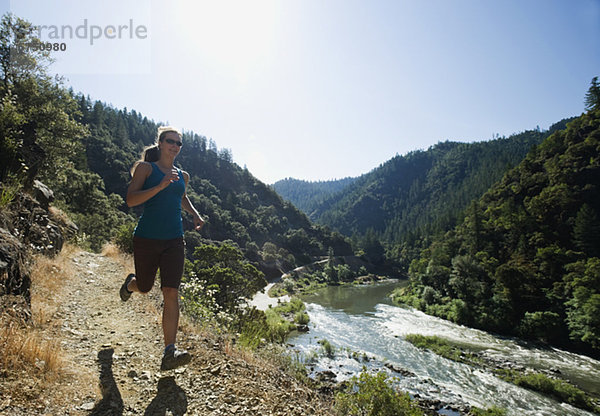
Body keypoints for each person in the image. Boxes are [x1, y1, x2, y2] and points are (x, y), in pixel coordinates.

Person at [119, 126, 205, 371]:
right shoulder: (147, 169)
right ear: (160, 143)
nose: (175, 146)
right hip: (146, 238)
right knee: (144, 287)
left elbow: (181, 196)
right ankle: (129, 284)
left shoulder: (182, 175)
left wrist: (196, 215)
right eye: (170, 141)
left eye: (179, 143)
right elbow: (131, 199)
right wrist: (159, 186)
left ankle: (170, 351)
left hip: (174, 240)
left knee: (170, 292)